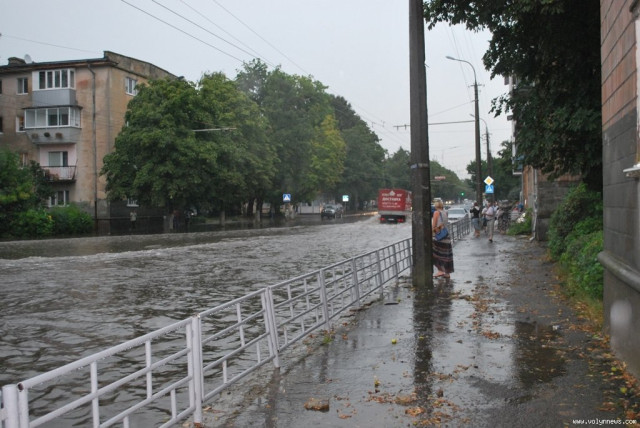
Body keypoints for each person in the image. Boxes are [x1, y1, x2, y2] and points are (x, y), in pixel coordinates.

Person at [432, 200, 454, 278]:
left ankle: (440, 271)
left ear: (436, 206)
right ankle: (447, 273)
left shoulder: (436, 213)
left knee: (435, 254)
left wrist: (432, 234)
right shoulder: (445, 212)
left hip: (439, 237)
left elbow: (434, 225)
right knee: (446, 256)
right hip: (446, 236)